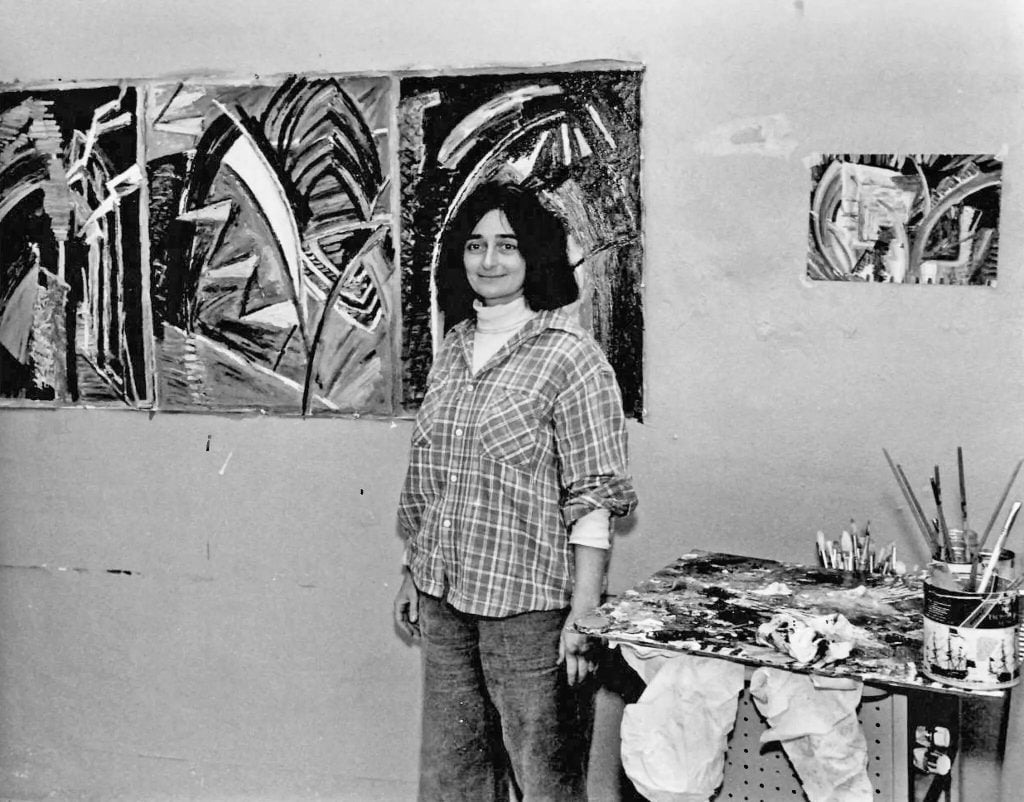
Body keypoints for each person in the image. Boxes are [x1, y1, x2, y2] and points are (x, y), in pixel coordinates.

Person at [394, 180, 638, 801]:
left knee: (545, 780)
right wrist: (410, 572)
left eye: (507, 245)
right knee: (453, 777)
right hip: (445, 594)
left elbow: (593, 499)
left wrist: (585, 613)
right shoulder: (452, 351)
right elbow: (434, 474)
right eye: (475, 245)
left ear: (535, 256)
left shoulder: (572, 357)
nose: (490, 260)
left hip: (530, 609)